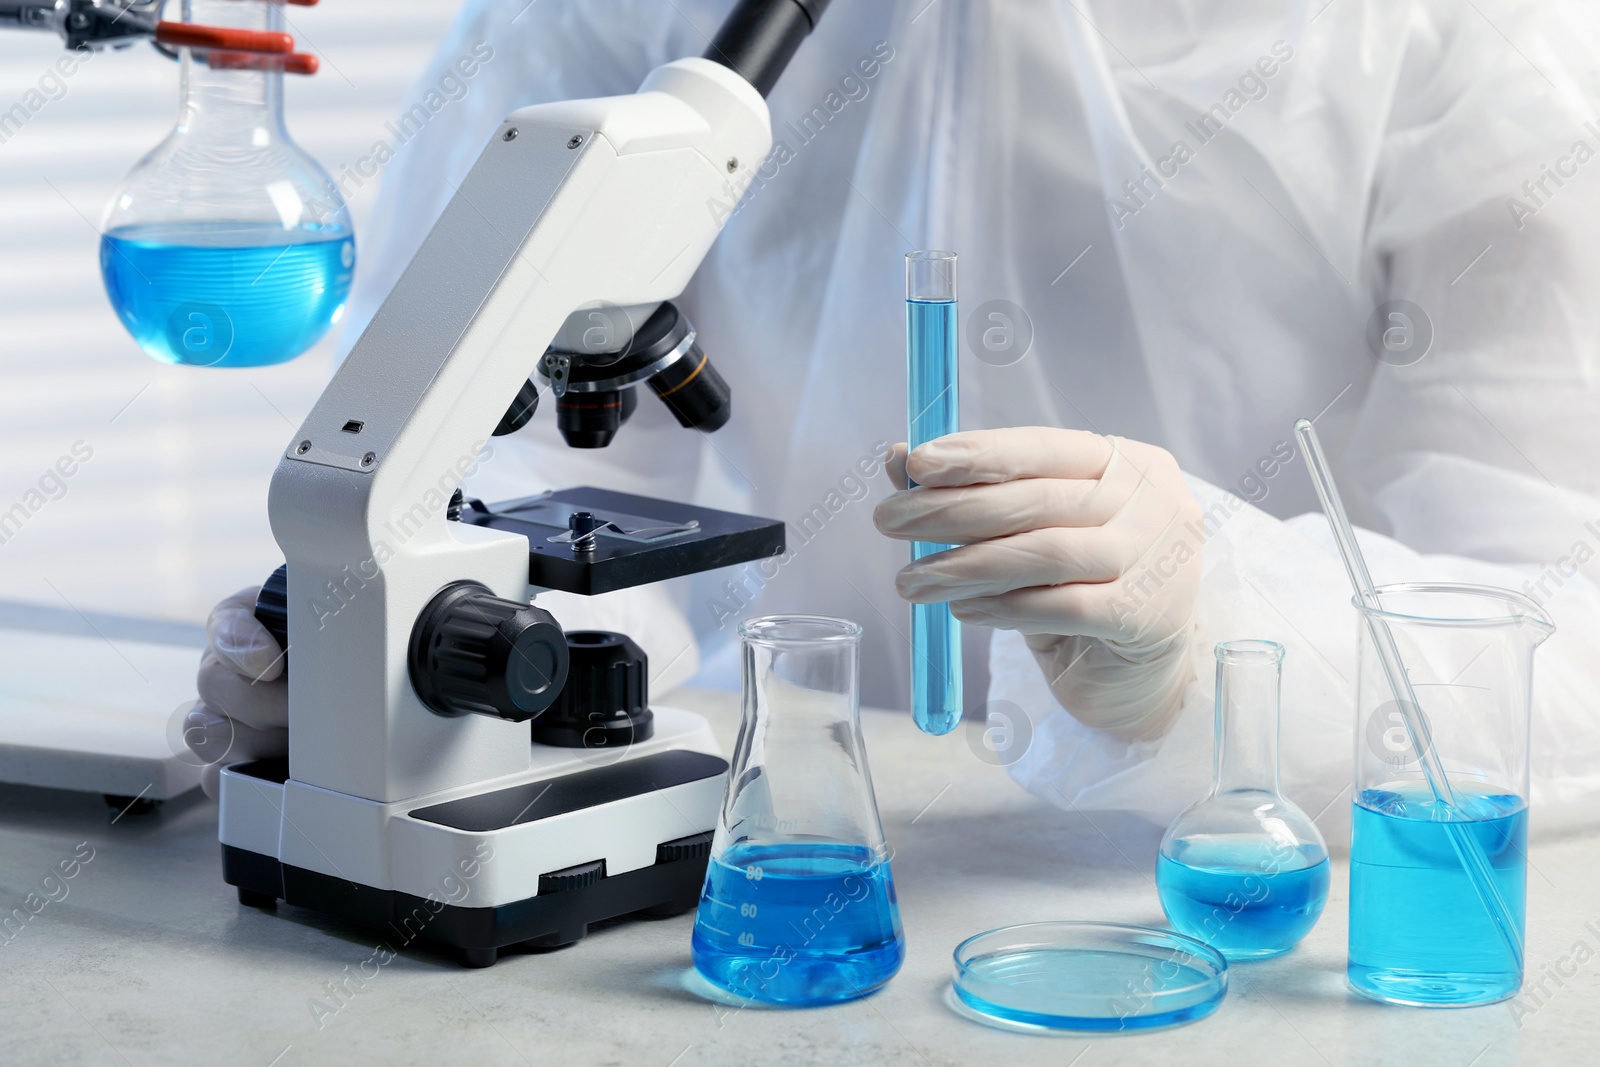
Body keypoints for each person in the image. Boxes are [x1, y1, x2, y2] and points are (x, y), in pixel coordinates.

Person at [192, 0, 1600, 833]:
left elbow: (1561, 616)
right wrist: (384, 665)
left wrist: (1215, 639)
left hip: (1223, 895)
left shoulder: (1462, 37)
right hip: (741, 856)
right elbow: (500, 444)